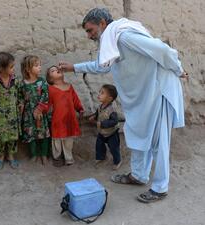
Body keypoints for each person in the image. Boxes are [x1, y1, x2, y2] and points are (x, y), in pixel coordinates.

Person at [59, 8, 188, 203]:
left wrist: (178, 70)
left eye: (90, 30)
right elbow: (102, 66)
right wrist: (73, 68)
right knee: (137, 132)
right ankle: (138, 175)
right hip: (144, 95)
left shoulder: (124, 36)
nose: (89, 36)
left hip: (159, 90)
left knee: (158, 141)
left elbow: (162, 50)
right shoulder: (112, 41)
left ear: (102, 23)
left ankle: (160, 188)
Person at [45, 65, 84, 166]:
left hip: (70, 119)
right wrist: (41, 110)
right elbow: (46, 103)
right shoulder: (51, 89)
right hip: (58, 119)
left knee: (69, 139)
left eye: (58, 69)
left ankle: (68, 157)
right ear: (50, 78)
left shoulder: (69, 87)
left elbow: (75, 100)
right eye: (53, 70)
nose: (57, 70)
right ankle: (57, 157)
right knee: (56, 139)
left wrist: (80, 109)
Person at [19, 55, 50, 165]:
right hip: (28, 114)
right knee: (31, 135)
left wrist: (39, 109)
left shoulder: (42, 82)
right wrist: (21, 106)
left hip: (40, 113)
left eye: (40, 65)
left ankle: (44, 155)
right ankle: (34, 154)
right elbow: (20, 97)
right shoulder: (22, 84)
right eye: (36, 65)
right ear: (28, 69)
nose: (40, 67)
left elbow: (46, 95)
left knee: (43, 134)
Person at [88, 84, 122, 170]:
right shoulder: (100, 106)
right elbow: (98, 113)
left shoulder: (112, 110)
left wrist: (102, 123)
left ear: (110, 98)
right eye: (100, 92)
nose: (99, 94)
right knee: (99, 145)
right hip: (102, 132)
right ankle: (101, 157)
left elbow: (114, 121)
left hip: (111, 133)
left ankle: (117, 161)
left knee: (114, 148)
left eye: (102, 93)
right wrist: (94, 116)